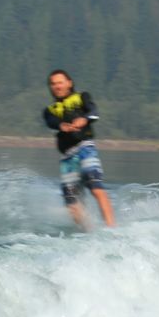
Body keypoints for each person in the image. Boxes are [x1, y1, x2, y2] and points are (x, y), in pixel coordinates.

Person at [42, 69, 116, 229]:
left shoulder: (82, 97)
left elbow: (94, 112)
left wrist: (84, 119)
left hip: (85, 148)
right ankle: (89, 234)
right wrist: (61, 125)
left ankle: (112, 229)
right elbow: (51, 122)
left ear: (69, 83)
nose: (57, 86)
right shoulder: (49, 110)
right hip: (67, 158)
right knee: (72, 204)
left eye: (60, 82)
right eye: (53, 84)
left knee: (96, 187)